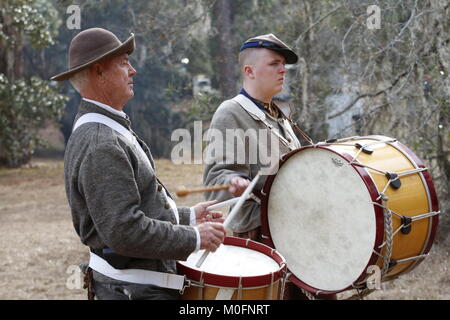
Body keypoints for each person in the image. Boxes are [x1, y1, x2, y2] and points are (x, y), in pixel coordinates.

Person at [51, 28, 226, 300]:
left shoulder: (107, 129)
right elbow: (124, 230)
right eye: (123, 63)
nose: (133, 70)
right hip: (132, 291)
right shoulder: (101, 143)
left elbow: (138, 206)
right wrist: (194, 237)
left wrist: (188, 217)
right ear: (99, 73)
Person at [203, 34, 336, 300]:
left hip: (297, 232)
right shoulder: (231, 112)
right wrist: (234, 181)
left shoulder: (278, 114)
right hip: (261, 240)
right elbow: (215, 178)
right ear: (249, 71)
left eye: (283, 64)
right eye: (274, 63)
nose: (283, 69)